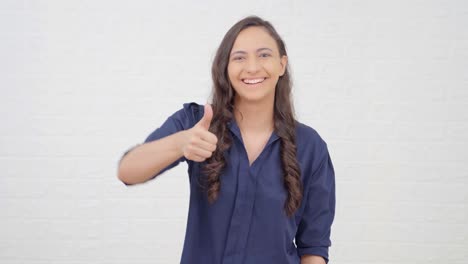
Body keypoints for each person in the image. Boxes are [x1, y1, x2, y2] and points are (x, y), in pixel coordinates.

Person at [117, 15, 336, 264]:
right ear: (226, 67)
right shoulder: (196, 123)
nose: (252, 67)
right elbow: (128, 171)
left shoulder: (310, 147)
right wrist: (180, 143)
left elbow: (314, 246)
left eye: (264, 55)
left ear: (282, 65)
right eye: (239, 57)